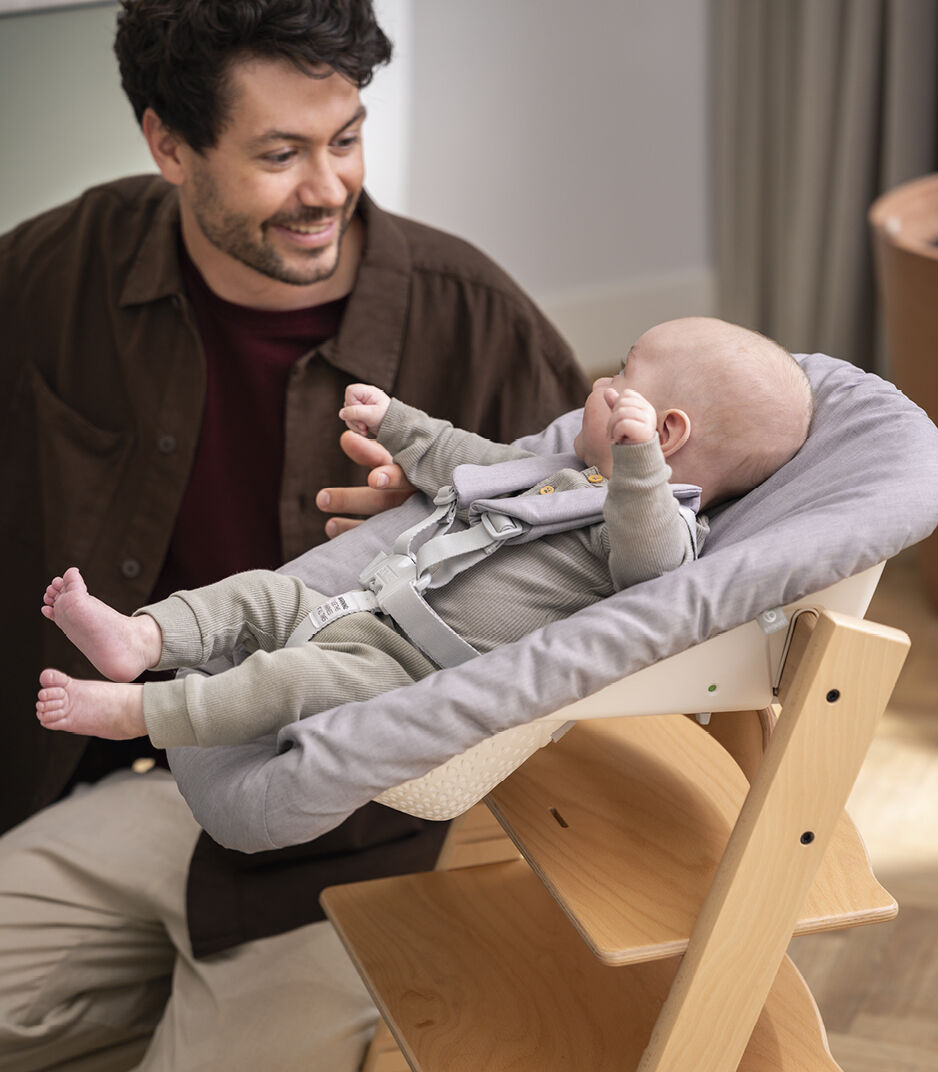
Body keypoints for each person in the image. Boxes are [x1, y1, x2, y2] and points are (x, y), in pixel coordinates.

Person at [0, 2, 588, 1069]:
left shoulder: (478, 325)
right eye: (279, 154)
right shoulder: (57, 272)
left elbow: (616, 595)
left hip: (348, 838)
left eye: (345, 138)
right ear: (167, 144)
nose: (326, 188)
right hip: (114, 784)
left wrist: (450, 532)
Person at [35, 317, 813, 749]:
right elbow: (463, 462)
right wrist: (399, 423)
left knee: (287, 685)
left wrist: (638, 466)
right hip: (361, 608)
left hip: (412, 667)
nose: (600, 386)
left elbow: (653, 569)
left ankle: (143, 714)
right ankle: (138, 640)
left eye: (623, 378)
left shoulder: (658, 520)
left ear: (665, 432)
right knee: (259, 593)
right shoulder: (555, 471)